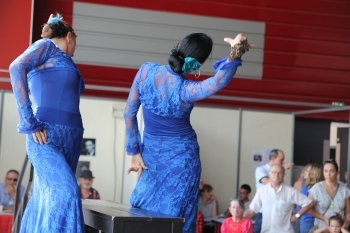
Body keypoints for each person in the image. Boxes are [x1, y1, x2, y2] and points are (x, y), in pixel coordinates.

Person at [124, 32, 252, 233]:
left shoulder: (145, 71)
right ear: (197, 64)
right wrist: (235, 53)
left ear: (179, 46)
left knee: (144, 209)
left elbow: (129, 114)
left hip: (151, 154)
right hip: (182, 159)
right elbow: (218, 81)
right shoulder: (186, 90)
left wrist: (133, 151)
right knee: (177, 216)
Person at [9, 13, 85, 232]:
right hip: (46, 138)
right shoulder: (47, 46)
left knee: (48, 199)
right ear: (69, 36)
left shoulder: (62, 59)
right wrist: (29, 121)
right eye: (75, 43)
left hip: (71, 140)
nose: (75, 49)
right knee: (67, 193)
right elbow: (15, 68)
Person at [244, 164, 315, 233]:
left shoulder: (290, 191)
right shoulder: (262, 191)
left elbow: (309, 203)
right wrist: (236, 219)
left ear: (283, 175)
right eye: (274, 172)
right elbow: (252, 211)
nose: (276, 175)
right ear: (269, 174)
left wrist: (297, 216)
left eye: (279, 173)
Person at [254, 149, 294, 233]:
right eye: (281, 160)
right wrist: (282, 169)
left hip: (278, 214)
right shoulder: (261, 169)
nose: (283, 162)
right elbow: (266, 182)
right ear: (272, 159)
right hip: (263, 214)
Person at [308, 159, 350, 230]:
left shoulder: (344, 190)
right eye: (326, 171)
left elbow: (348, 211)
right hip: (321, 227)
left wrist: (347, 222)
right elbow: (309, 209)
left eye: (332, 171)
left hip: (338, 229)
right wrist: (324, 218)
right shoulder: (316, 188)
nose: (328, 174)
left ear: (337, 173)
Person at [298, 163, 323, 233]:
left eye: (306, 170)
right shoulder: (318, 187)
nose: (304, 171)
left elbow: (302, 206)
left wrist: (296, 216)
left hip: (307, 220)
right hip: (313, 219)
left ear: (312, 173)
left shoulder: (308, 188)